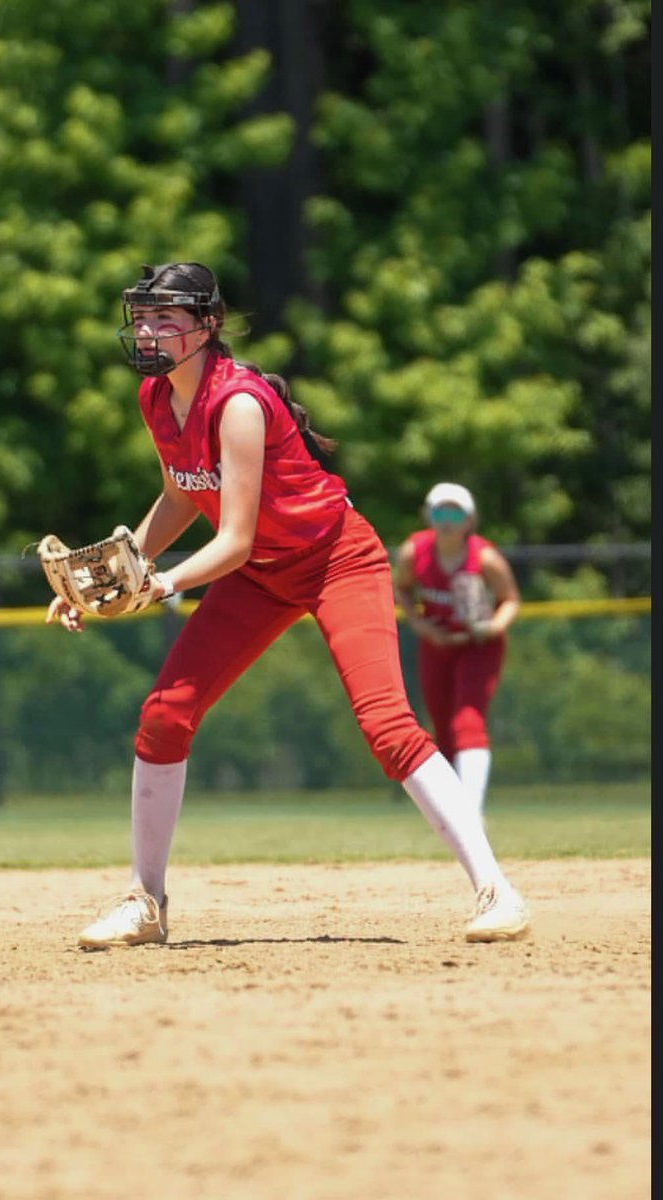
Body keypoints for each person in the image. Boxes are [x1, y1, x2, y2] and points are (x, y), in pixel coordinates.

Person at [45, 261, 529, 948]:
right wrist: (107, 579)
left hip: (335, 559)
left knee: (387, 726)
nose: (148, 330)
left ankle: (496, 891)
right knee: (164, 716)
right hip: (262, 575)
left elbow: (235, 540)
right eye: (143, 316)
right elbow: (184, 495)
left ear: (207, 326)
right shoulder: (158, 396)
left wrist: (158, 585)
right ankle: (145, 903)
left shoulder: (236, 402)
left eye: (167, 318)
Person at [393, 482, 521, 823]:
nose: (446, 520)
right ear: (428, 517)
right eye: (439, 512)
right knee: (441, 730)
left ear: (470, 520)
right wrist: (422, 627)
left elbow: (510, 600)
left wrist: (492, 626)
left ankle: (470, 815)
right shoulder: (414, 552)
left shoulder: (484, 557)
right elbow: (402, 589)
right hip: (437, 644)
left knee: (468, 719)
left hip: (478, 646)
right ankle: (451, 814)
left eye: (455, 513)